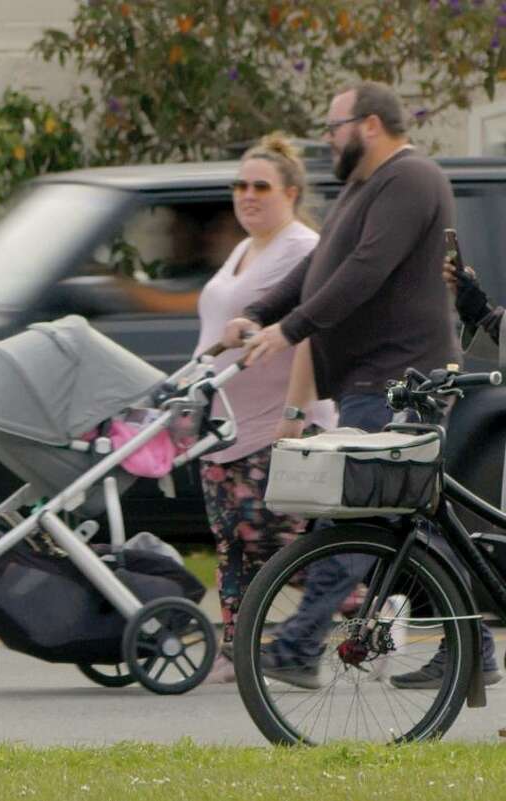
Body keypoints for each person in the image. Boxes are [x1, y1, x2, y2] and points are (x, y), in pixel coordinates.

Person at [223, 81, 500, 690]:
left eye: (335, 126)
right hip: (369, 380)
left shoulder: (412, 179)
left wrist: (292, 328)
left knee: (361, 515)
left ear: (370, 125)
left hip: (403, 379)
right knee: (415, 520)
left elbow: (365, 270)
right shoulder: (363, 185)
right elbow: (318, 266)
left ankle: (297, 646)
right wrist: (262, 313)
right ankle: (473, 648)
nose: (329, 139)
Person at [194, 133, 336, 683]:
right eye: (240, 185)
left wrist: (294, 418)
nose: (247, 195)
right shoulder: (243, 247)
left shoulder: (300, 248)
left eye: (261, 187)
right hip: (226, 424)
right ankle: (238, 650)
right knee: (232, 547)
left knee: (274, 541)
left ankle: (375, 606)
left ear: (291, 192)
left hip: (277, 423)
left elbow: (309, 336)